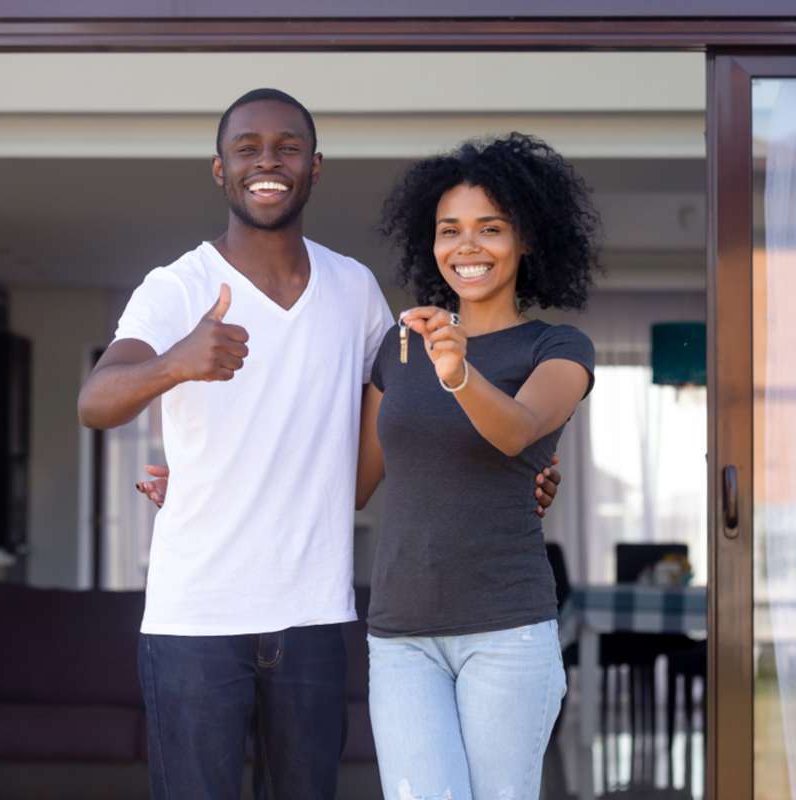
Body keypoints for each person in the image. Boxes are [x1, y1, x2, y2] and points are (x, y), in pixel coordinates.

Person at [80, 89, 561, 800]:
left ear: (315, 166)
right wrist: (177, 361)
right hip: (196, 615)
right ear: (220, 170)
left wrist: (517, 476)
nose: (267, 162)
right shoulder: (178, 287)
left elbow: (407, 417)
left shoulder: (354, 288)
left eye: (287, 147)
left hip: (314, 613)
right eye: (247, 148)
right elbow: (96, 401)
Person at [355, 133, 598, 800]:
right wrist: (210, 478)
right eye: (450, 230)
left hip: (507, 632)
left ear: (526, 241)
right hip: (402, 636)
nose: (468, 246)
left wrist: (459, 373)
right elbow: (350, 484)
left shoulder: (558, 346)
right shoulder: (400, 348)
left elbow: (517, 433)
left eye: (491, 228)